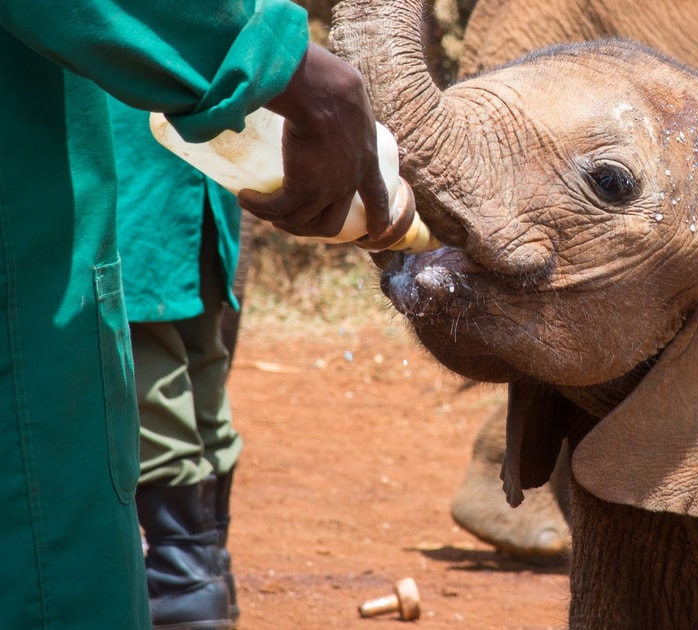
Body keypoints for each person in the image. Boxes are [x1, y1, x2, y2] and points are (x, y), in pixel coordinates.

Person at [0, 2, 410, 627]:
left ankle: (186, 572)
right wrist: (282, 63)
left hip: (142, 170)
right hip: (153, 154)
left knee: (164, 372)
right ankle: (189, 571)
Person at [109, 93, 249, 628]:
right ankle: (210, 570)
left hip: (132, 163)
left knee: (150, 366)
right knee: (199, 365)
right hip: (199, 160)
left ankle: (179, 572)